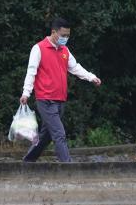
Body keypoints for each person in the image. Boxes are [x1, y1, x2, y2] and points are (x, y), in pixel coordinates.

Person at [20, 18, 102, 163]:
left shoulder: (64, 50)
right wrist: (26, 92)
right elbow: (31, 72)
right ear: (53, 32)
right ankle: (68, 167)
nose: (65, 38)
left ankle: (27, 162)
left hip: (60, 99)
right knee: (59, 133)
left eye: (68, 36)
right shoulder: (38, 48)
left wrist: (91, 77)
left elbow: (75, 67)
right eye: (63, 35)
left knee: (47, 135)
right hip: (45, 99)